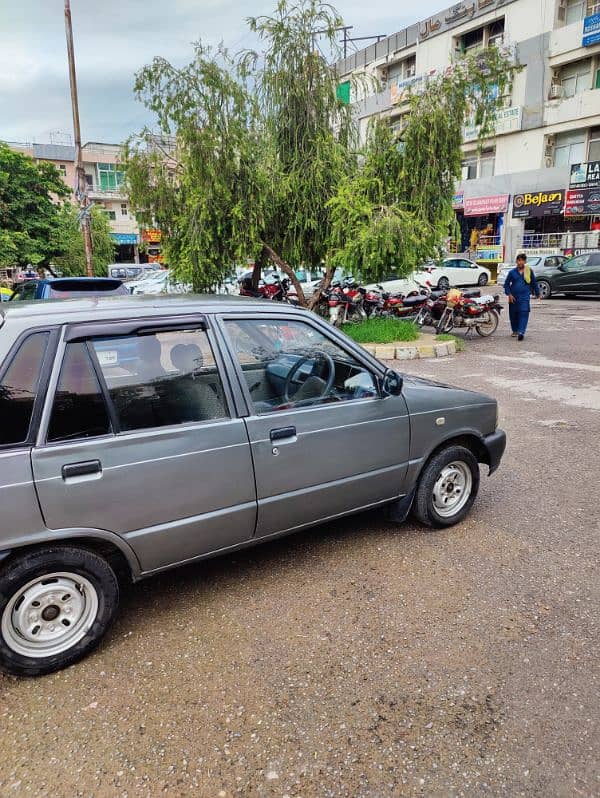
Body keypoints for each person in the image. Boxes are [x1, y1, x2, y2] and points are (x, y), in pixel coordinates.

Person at [504, 253, 541, 341]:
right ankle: (515, 330)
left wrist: (538, 293)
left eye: (522, 260)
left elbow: (534, 283)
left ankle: (521, 332)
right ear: (516, 261)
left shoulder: (529, 271)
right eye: (519, 260)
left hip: (524, 297)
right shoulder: (512, 272)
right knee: (513, 314)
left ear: (525, 261)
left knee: (524, 313)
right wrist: (509, 294)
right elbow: (506, 284)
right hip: (513, 297)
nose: (520, 262)